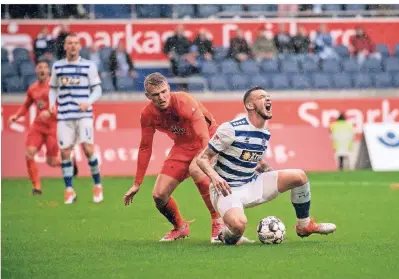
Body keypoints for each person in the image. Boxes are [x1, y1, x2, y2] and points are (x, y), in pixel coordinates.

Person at [196, 87, 336, 245]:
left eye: (269, 97)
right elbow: (202, 159)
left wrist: (271, 173)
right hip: (227, 189)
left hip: (251, 183)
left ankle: (304, 226)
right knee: (238, 225)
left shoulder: (265, 132)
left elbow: (256, 160)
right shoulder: (232, 129)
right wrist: (215, 178)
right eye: (262, 97)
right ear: (250, 105)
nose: (268, 99)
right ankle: (225, 235)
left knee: (299, 176)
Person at [122, 73, 226, 243]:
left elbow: (203, 137)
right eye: (155, 95)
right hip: (182, 146)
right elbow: (145, 147)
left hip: (209, 139)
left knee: (196, 169)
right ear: (148, 96)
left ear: (169, 89)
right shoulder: (147, 114)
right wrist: (137, 183)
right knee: (159, 195)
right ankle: (180, 227)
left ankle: (218, 221)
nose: (161, 97)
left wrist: (207, 162)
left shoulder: (185, 102)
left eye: (164, 92)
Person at [47, 33, 104, 204]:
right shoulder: (57, 67)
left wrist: (89, 102)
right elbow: (52, 88)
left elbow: (97, 90)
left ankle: (97, 185)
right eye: (69, 43)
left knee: (88, 149)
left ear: (80, 46)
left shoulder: (89, 66)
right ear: (64, 46)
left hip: (83, 115)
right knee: (65, 153)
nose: (72, 46)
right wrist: (52, 103)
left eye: (75, 43)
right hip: (64, 116)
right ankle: (69, 190)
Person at [8, 60, 77, 195]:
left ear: (48, 71)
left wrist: (51, 111)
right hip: (38, 126)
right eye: (40, 67)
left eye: (45, 67)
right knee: (29, 154)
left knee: (51, 162)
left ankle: (69, 162)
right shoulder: (32, 88)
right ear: (36, 71)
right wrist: (16, 116)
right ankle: (37, 188)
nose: (42, 70)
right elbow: (26, 105)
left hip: (53, 126)